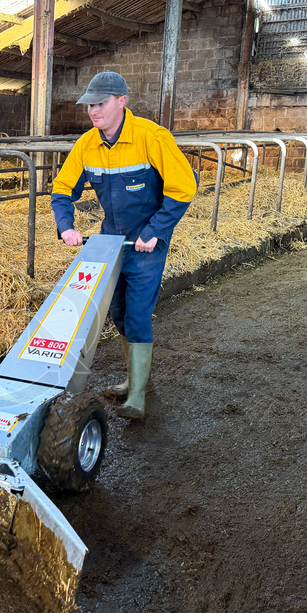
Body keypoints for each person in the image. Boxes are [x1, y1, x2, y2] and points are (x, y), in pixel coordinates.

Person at [50, 71, 197, 419]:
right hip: (112, 240)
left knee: (137, 313)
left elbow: (183, 188)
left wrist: (156, 231)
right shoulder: (87, 144)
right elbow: (61, 190)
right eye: (89, 105)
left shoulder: (151, 137)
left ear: (121, 101)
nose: (93, 111)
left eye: (100, 104)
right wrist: (66, 227)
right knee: (116, 311)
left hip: (147, 241)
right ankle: (134, 379)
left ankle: (138, 396)